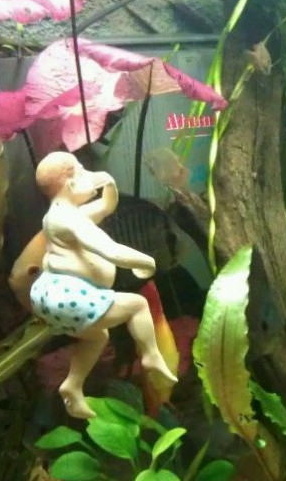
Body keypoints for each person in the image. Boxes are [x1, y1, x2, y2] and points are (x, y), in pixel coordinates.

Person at [30, 151, 177, 419]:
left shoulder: (63, 214)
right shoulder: (69, 219)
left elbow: (107, 207)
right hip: (68, 298)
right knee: (137, 305)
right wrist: (146, 261)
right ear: (71, 183)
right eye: (83, 172)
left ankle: (72, 385)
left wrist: (108, 183)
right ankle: (150, 355)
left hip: (55, 299)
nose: (90, 177)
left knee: (98, 336)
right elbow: (109, 250)